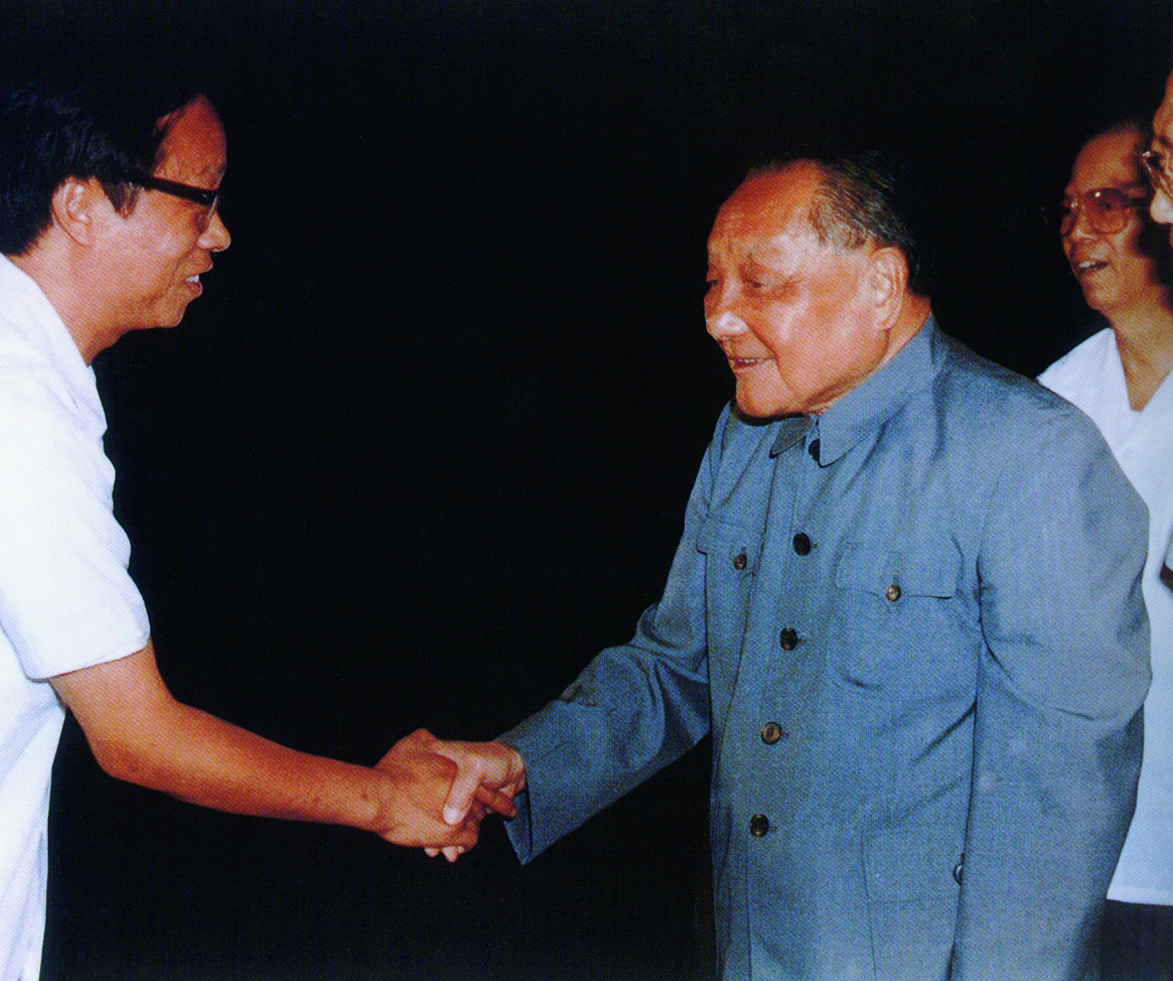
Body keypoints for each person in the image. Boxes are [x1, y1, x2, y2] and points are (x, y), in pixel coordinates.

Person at [0, 70, 507, 980]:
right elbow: (137, 738)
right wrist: (382, 799)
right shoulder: (8, 413)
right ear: (80, 204)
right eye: (199, 198)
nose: (219, 233)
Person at [427, 152, 1151, 978]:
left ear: (881, 285)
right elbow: (676, 665)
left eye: (760, 283)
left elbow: (1054, 812)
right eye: (712, 283)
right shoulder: (744, 436)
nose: (718, 317)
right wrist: (525, 760)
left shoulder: (1029, 457)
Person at [1040, 119, 1173, 981]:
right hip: (1087, 846)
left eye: (1104, 203)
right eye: (1066, 209)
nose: (1076, 230)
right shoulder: (1053, 404)